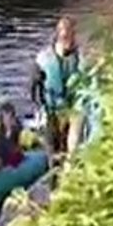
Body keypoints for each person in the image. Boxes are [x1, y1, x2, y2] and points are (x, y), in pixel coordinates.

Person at [30, 16, 83, 154]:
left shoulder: (78, 58)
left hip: (70, 109)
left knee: (70, 144)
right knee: (52, 149)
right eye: (66, 38)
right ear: (59, 37)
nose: (70, 42)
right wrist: (38, 106)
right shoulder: (44, 59)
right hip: (50, 110)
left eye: (72, 37)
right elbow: (33, 89)